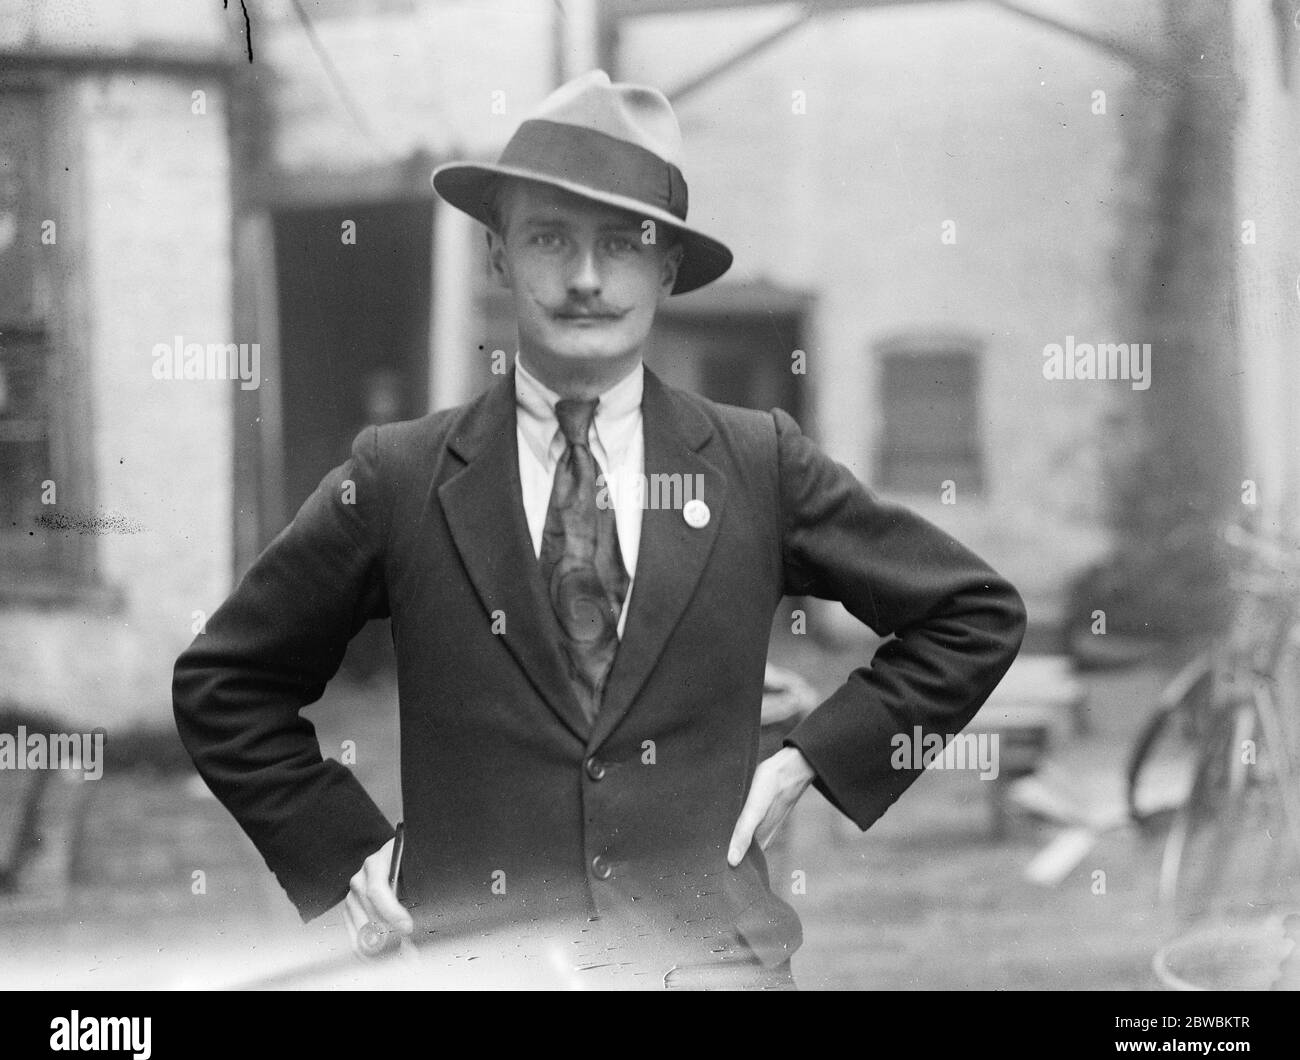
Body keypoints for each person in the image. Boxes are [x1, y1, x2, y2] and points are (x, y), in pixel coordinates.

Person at [173, 69, 1026, 990]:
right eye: (550, 239)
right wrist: (345, 851)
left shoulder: (755, 463)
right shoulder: (401, 477)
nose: (585, 279)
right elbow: (226, 683)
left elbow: (972, 613)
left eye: (623, 245)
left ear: (666, 270)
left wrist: (814, 760)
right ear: (499, 257)